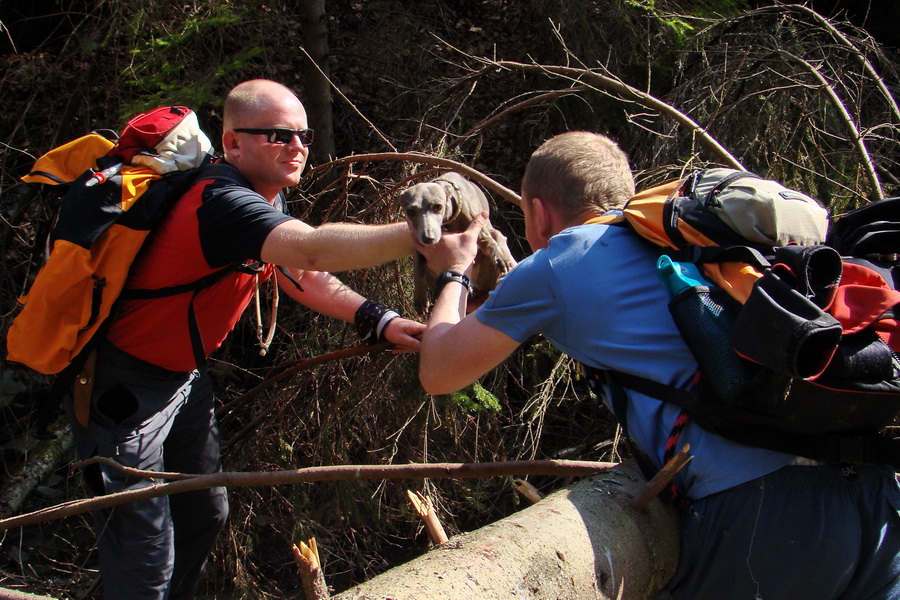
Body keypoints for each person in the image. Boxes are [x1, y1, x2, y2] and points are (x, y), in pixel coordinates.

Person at [416, 131, 900, 600]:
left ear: (539, 213)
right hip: (874, 495)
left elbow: (439, 371)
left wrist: (455, 269)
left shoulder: (558, 264)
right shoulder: (688, 240)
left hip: (760, 514)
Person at [64, 79, 425, 600]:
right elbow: (315, 251)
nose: (297, 146)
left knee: (204, 512)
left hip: (184, 380)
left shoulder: (253, 202)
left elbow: (301, 272)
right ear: (233, 143)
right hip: (123, 388)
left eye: (302, 135)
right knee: (143, 548)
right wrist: (418, 232)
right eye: (278, 135)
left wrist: (379, 319)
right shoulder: (222, 203)